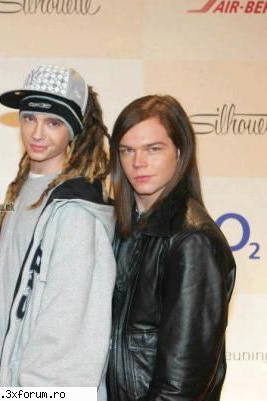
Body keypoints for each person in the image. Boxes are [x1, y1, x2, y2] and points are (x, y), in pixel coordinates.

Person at [0, 65, 116, 392]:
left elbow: (69, 333)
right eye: (29, 118)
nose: (37, 133)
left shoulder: (76, 210)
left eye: (53, 122)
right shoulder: (20, 190)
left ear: (74, 130)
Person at [106, 95, 236, 401]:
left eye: (153, 149)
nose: (138, 162)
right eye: (127, 150)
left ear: (179, 152)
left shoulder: (193, 241)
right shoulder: (120, 229)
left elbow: (181, 386)